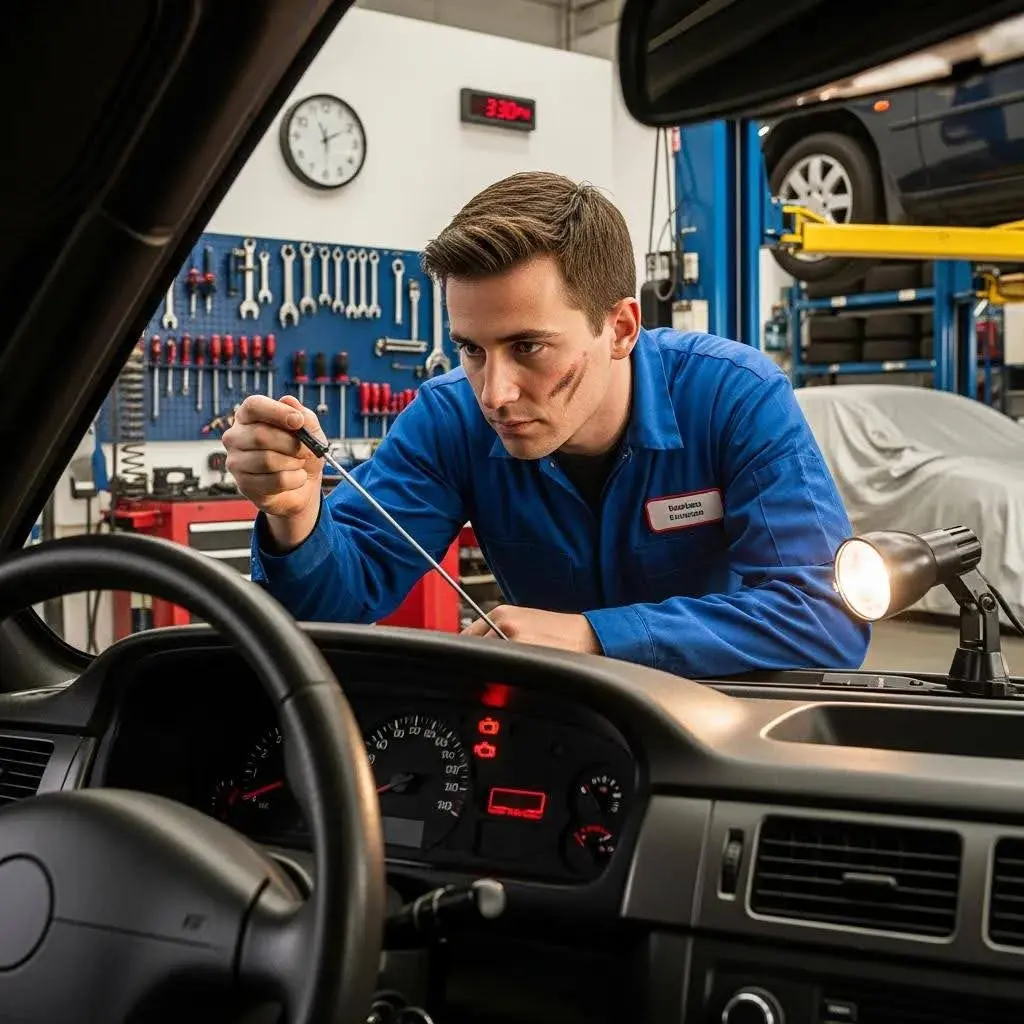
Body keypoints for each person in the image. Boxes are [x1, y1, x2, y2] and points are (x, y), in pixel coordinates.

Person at [223, 171, 869, 679]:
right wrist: (297, 513)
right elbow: (331, 605)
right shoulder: (449, 420)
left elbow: (825, 617)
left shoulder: (735, 399)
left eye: (528, 347)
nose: (495, 393)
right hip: (561, 730)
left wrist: (593, 635)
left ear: (619, 328)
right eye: (472, 350)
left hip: (721, 732)